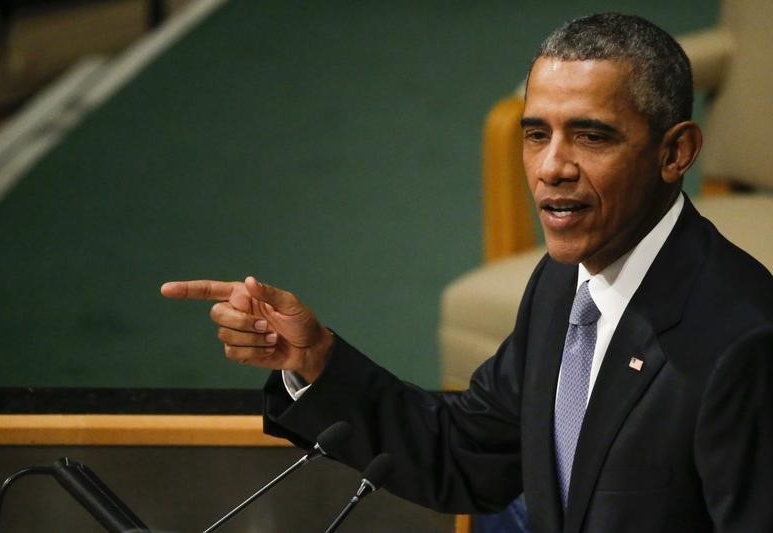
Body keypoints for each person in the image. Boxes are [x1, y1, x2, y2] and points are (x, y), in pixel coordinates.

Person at [161, 13, 773, 533]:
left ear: (675, 153)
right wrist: (315, 359)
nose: (551, 168)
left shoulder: (741, 344)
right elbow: (469, 455)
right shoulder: (565, 285)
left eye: (590, 136)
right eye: (537, 135)